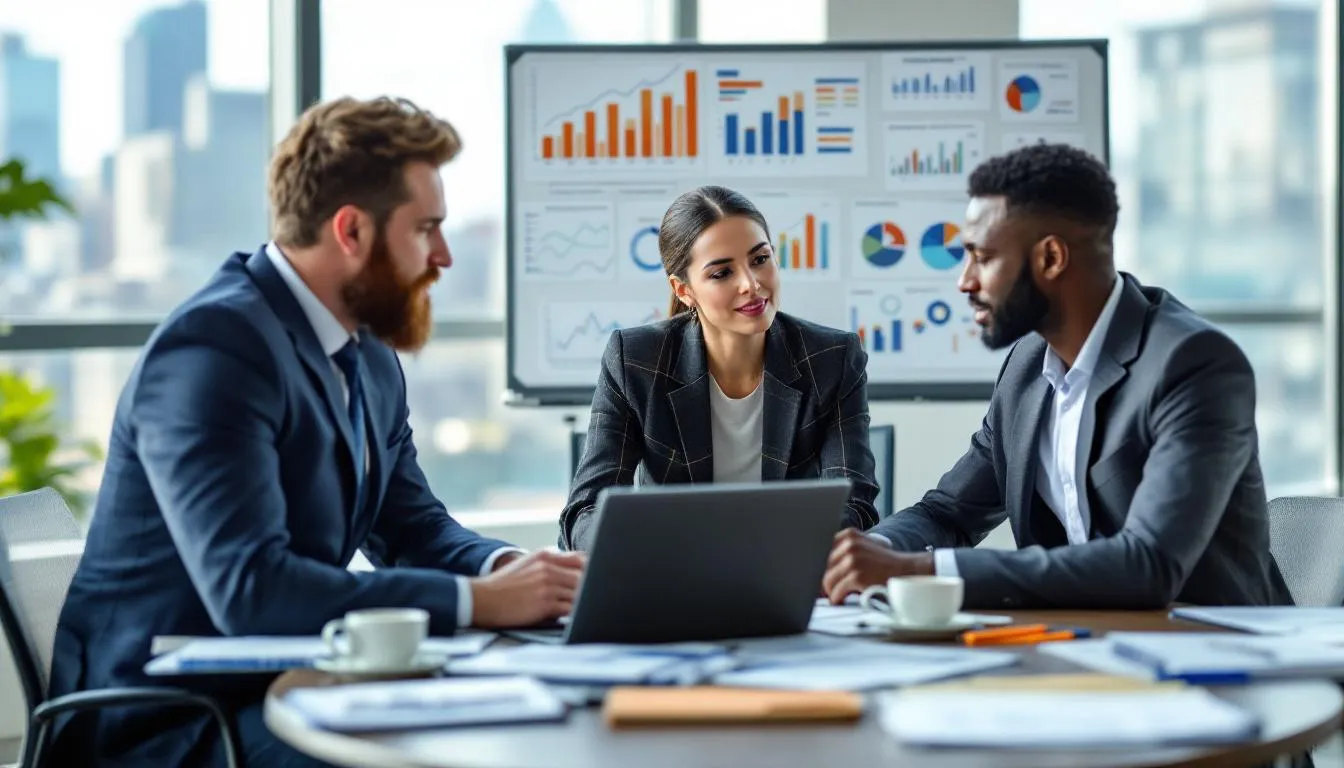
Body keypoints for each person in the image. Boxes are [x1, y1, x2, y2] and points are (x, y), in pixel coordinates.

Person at [47, 96, 586, 767]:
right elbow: (253, 590)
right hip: (169, 726)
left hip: (287, 692)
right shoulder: (212, 352)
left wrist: (515, 572)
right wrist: (478, 602)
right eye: (425, 228)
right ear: (351, 231)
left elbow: (413, 528)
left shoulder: (367, 353)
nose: (443, 255)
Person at [822, 143, 1291, 610]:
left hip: (1213, 652)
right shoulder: (1027, 367)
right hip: (1083, 647)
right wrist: (871, 553)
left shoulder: (1194, 364)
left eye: (981, 257)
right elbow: (948, 513)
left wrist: (919, 571)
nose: (964, 281)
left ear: (1050, 258)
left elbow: (1149, 565)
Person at [559, 185, 880, 551]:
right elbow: (584, 513)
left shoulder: (832, 358)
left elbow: (855, 508)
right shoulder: (635, 360)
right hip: (672, 579)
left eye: (760, 259)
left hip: (786, 574)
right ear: (684, 290)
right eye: (722, 273)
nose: (751, 284)